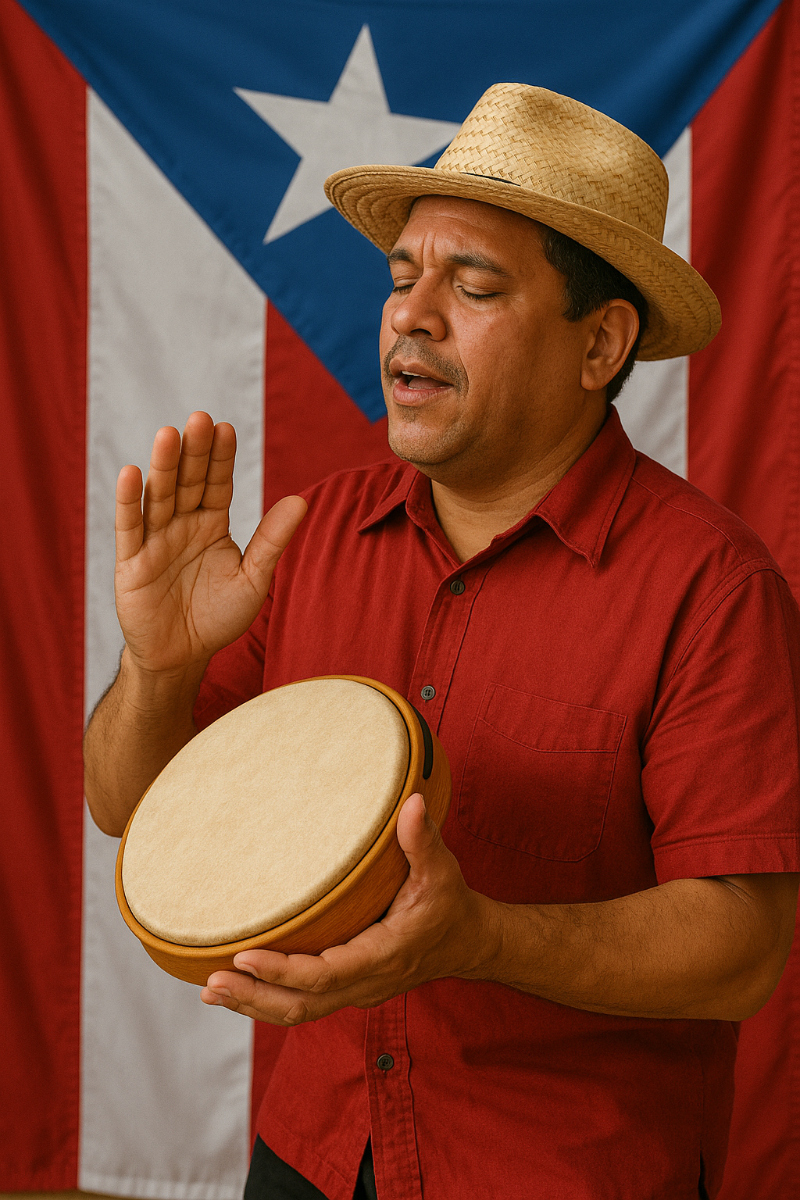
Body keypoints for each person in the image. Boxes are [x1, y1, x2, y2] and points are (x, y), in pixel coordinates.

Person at [84, 83, 800, 1200]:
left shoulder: (709, 587)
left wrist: (477, 938)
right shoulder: (307, 538)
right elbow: (131, 807)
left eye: (471, 286)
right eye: (400, 276)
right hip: (312, 1152)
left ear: (599, 345)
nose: (410, 314)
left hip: (558, 1173)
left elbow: (741, 948)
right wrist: (158, 665)